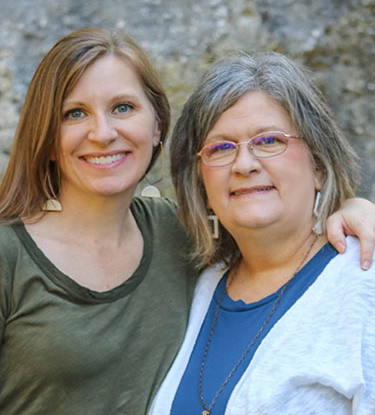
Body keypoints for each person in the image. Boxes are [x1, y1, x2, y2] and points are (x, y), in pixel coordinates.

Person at [0, 29, 373, 414]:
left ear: (157, 125)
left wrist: (352, 206)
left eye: (268, 141)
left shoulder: (179, 237)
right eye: (74, 113)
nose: (103, 133)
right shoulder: (193, 255)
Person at [150, 52, 375, 414]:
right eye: (221, 148)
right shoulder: (199, 286)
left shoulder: (363, 285)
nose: (244, 164)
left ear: (318, 164)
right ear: (200, 180)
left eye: (269, 141)